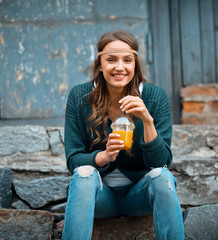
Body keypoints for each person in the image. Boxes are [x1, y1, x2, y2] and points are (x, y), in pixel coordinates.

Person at [62, 30, 184, 240]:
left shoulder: (155, 97)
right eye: (111, 60)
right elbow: (73, 160)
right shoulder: (79, 97)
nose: (120, 67)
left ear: (135, 64)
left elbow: (161, 163)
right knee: (83, 173)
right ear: (100, 64)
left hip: (140, 197)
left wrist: (147, 120)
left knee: (163, 177)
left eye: (127, 60)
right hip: (99, 198)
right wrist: (104, 157)